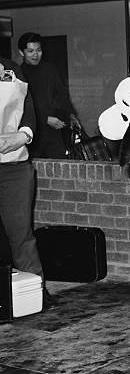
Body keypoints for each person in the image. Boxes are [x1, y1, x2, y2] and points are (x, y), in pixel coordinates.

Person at [0, 56, 51, 307]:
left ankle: (35, 295)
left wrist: (23, 134)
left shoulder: (12, 68)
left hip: (13, 166)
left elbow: (29, 108)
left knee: (21, 233)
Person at [17, 32, 79, 159]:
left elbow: (62, 96)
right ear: (21, 52)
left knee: (59, 166)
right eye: (30, 51)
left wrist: (71, 114)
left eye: (38, 50)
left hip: (54, 131)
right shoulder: (18, 74)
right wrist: (45, 119)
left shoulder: (50, 70)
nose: (35, 54)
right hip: (31, 132)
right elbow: (19, 107)